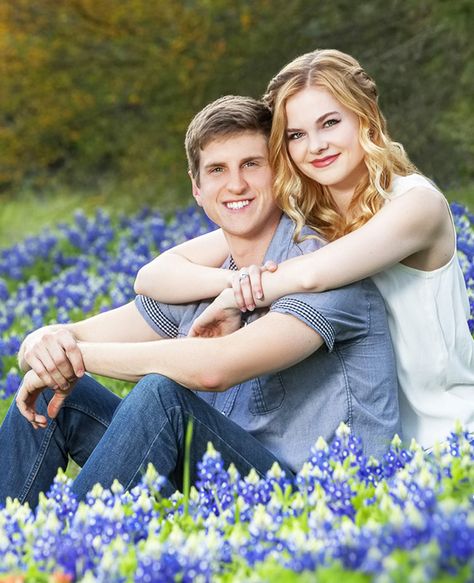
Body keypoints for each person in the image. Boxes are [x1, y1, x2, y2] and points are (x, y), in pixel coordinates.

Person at [0, 95, 400, 508]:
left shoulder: (324, 265)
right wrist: (42, 342)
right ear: (197, 189)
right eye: (217, 170)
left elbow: (214, 369)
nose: (236, 185)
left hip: (314, 501)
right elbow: (70, 336)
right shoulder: (198, 281)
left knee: (161, 397)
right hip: (216, 486)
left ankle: (59, 563)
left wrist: (73, 357)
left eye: (251, 164)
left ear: (280, 172)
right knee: (55, 396)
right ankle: (11, 550)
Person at [134, 49, 474, 450]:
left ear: (364, 117)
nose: (315, 146)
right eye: (296, 135)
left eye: (330, 123)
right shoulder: (311, 213)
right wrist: (236, 280)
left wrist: (234, 298)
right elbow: (153, 275)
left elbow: (313, 274)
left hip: (447, 438)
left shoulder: (415, 205)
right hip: (372, 443)